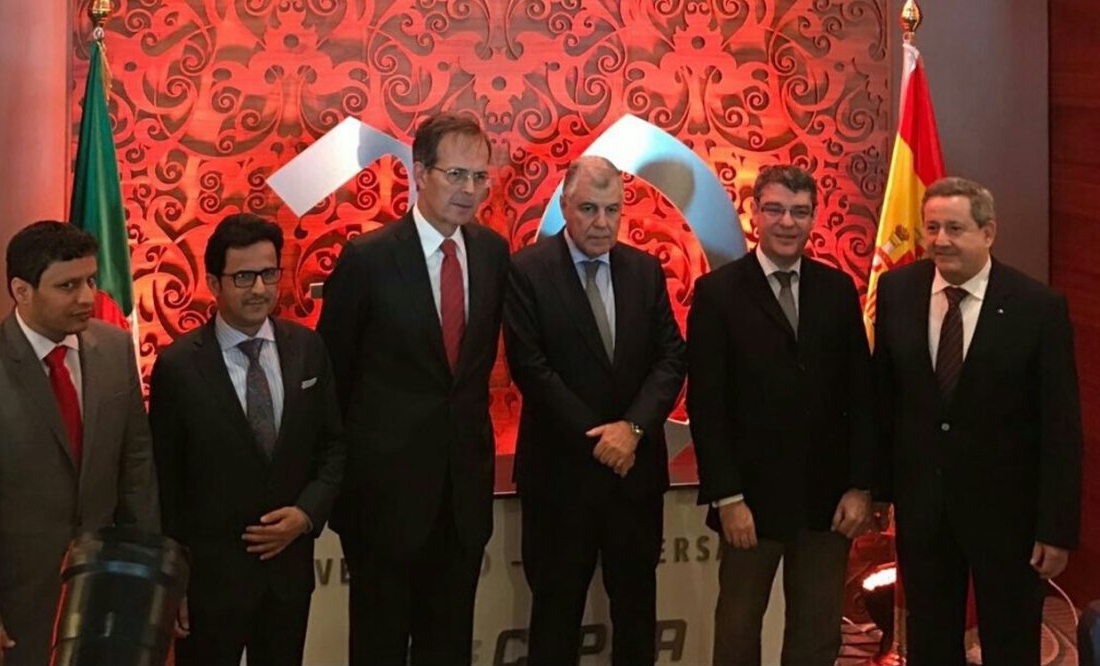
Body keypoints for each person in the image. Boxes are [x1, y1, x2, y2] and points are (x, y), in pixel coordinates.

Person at [0, 220, 160, 666]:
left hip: (100, 603)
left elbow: (136, 470)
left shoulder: (114, 349)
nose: (87, 297)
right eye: (68, 286)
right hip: (5, 618)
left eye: (90, 280)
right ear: (21, 291)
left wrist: (145, 579)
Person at [316, 112, 510, 666]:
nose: (469, 190)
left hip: (462, 497)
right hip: (382, 500)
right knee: (378, 647)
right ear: (420, 173)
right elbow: (332, 379)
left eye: (479, 177)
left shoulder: (493, 254)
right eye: (456, 174)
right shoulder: (368, 259)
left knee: (448, 647)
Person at [874, 176, 1082, 665]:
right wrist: (878, 489)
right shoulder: (898, 290)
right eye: (932, 228)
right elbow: (884, 397)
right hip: (924, 509)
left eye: (955, 228)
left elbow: (1060, 425)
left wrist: (1057, 528)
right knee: (930, 641)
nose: (940, 240)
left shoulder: (1038, 307)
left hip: (1009, 515)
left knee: (1011, 643)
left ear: (988, 232)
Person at [687, 165, 875, 665]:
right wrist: (728, 497)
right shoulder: (717, 293)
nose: (787, 222)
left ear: (813, 217)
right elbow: (707, 406)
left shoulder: (838, 290)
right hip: (749, 502)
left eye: (799, 211)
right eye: (775, 209)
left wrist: (861, 486)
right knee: (737, 630)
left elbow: (862, 395)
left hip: (827, 502)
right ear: (755, 214)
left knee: (817, 633)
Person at [503, 156, 686, 665]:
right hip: (560, 480)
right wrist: (602, 438)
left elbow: (671, 358)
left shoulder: (644, 269)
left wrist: (632, 429)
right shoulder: (526, 270)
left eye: (612, 210)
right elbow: (531, 368)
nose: (602, 223)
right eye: (588, 209)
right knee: (555, 620)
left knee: (636, 619)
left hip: (634, 477)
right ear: (565, 207)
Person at [149, 213, 345, 665]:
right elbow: (165, 483)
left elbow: (334, 446)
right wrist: (173, 581)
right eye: (243, 277)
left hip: (288, 576)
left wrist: (306, 514)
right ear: (213, 283)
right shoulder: (178, 367)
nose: (259, 288)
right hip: (209, 583)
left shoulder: (307, 348)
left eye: (268, 274)